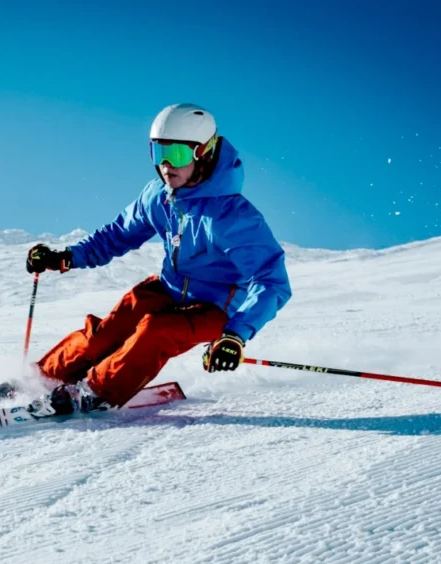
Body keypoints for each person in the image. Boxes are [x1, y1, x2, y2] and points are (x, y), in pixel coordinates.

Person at [25, 103, 291, 415]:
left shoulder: (232, 217)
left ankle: (94, 392)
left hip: (216, 308)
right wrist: (66, 257)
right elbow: (117, 235)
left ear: (203, 153)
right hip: (168, 288)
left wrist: (235, 335)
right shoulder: (158, 196)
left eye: (176, 154)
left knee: (157, 330)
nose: (165, 165)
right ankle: (41, 379)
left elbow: (271, 281)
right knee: (107, 333)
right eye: (158, 152)